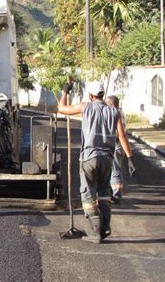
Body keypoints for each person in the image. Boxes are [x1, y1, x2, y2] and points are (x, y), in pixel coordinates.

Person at [58, 81, 134, 243]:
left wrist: (65, 92)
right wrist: (130, 157)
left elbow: (62, 109)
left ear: (91, 95)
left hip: (89, 157)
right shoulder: (114, 112)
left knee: (88, 195)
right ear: (102, 95)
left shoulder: (86, 107)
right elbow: (122, 135)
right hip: (107, 158)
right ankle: (105, 227)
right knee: (104, 193)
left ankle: (95, 232)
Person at [106, 95, 136, 203]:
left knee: (115, 168)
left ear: (112, 104)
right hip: (115, 145)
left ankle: (116, 194)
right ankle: (112, 192)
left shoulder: (117, 114)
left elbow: (120, 133)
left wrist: (130, 157)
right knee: (112, 169)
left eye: (107, 104)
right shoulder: (118, 113)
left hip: (116, 145)